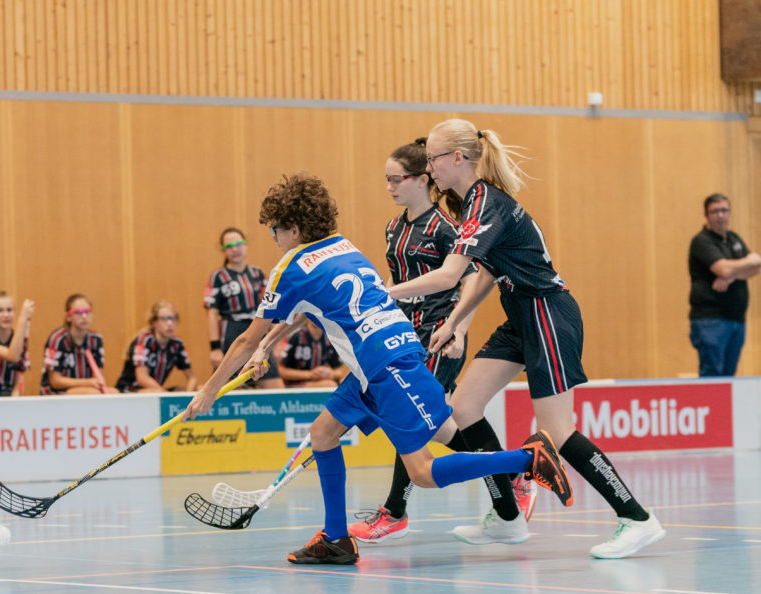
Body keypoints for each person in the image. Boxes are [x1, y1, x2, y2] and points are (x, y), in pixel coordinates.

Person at [185, 172, 572, 567]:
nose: (272, 237)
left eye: (275, 228)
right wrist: (268, 344)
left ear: (296, 228)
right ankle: (335, 538)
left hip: (389, 366)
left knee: (421, 472)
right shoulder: (342, 247)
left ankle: (526, 461)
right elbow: (308, 310)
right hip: (379, 362)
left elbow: (244, 339)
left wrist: (209, 391)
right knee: (323, 434)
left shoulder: (291, 267)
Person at [385, 119, 665, 559]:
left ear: (458, 158)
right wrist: (457, 321)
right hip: (520, 314)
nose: (429, 167)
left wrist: (381, 294)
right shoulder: (468, 203)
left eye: (434, 158)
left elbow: (449, 274)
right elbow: (487, 274)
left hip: (548, 312)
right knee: (464, 408)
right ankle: (509, 518)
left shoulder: (485, 203)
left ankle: (637, 518)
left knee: (556, 430)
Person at [353, 140, 535, 545]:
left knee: (408, 419)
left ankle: (393, 513)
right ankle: (513, 474)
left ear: (422, 181)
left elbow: (470, 278)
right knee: (437, 424)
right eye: (385, 180)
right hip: (403, 337)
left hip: (438, 334)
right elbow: (395, 284)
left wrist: (461, 327)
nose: (389, 187)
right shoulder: (394, 227)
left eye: (396, 179)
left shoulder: (445, 227)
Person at [688, 193, 760, 377]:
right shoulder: (702, 241)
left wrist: (731, 275)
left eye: (724, 210)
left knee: (729, 376)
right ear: (706, 215)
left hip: (736, 319)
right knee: (713, 374)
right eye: (715, 211)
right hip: (711, 320)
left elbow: (756, 268)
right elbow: (722, 269)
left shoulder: (734, 239)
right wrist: (744, 263)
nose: (721, 215)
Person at [204, 228, 285, 389]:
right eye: (229, 246)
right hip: (231, 331)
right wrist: (214, 348)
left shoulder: (257, 274)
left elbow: (268, 308)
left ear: (245, 245)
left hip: (257, 329)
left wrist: (274, 341)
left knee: (274, 385)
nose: (235, 249)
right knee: (233, 385)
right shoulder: (218, 276)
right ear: (223, 250)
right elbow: (212, 312)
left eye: (238, 244)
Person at [115, 301, 199, 392]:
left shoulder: (177, 344)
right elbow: (142, 378)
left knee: (200, 390)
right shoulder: (145, 340)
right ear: (154, 322)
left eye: (173, 318)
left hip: (158, 390)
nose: (170, 323)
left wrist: (189, 395)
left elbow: (192, 378)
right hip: (131, 389)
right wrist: (164, 394)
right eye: (164, 319)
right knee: (156, 392)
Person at [41, 293, 117, 394]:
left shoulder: (96, 340)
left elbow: (97, 376)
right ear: (68, 317)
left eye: (88, 311)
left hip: (87, 388)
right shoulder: (58, 340)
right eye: (78, 312)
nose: (84, 316)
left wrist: (96, 384)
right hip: (57, 392)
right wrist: (87, 383)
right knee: (92, 394)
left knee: (114, 393)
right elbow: (55, 381)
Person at [276, 318, 347, 388]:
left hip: (322, 381)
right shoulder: (295, 336)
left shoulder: (330, 339)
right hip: (294, 385)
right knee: (330, 385)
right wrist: (310, 374)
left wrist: (331, 373)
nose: (317, 316)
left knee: (341, 384)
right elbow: (281, 370)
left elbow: (340, 370)